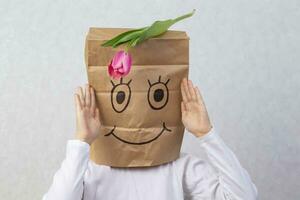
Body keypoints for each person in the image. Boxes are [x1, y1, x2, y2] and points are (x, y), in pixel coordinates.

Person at [42, 78, 258, 200]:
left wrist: (206, 134)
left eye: (157, 96)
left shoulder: (177, 166)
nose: (137, 116)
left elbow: (244, 197)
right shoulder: (89, 170)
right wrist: (82, 141)